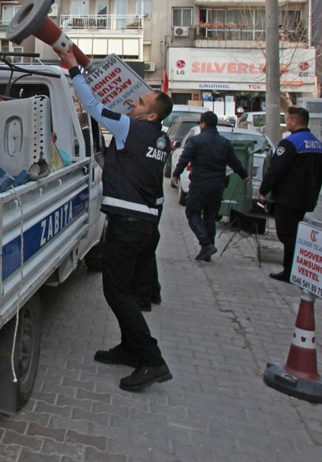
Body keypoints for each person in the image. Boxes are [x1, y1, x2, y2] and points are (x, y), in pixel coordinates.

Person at [59, 47, 174, 393]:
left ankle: (152, 359)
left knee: (117, 293)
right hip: (145, 226)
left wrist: (75, 71)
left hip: (128, 226)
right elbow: (155, 189)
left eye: (140, 103)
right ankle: (129, 348)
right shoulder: (162, 141)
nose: (132, 105)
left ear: (151, 116)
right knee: (124, 291)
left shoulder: (130, 129)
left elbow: (93, 108)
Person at [259, 106, 322, 283]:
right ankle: (292, 269)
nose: (286, 122)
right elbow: (320, 174)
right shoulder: (317, 144)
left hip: (288, 197)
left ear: (295, 122)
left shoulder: (290, 143)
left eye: (288, 119)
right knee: (294, 232)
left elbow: (276, 169)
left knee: (286, 234)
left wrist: (263, 189)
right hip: (306, 198)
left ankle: (291, 270)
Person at [171, 111, 248, 262]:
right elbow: (235, 162)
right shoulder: (224, 143)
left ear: (203, 123)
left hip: (200, 184)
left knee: (192, 213)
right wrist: (245, 176)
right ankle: (208, 250)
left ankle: (206, 243)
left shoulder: (196, 141)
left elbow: (184, 158)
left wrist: (176, 174)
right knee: (210, 218)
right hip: (218, 185)